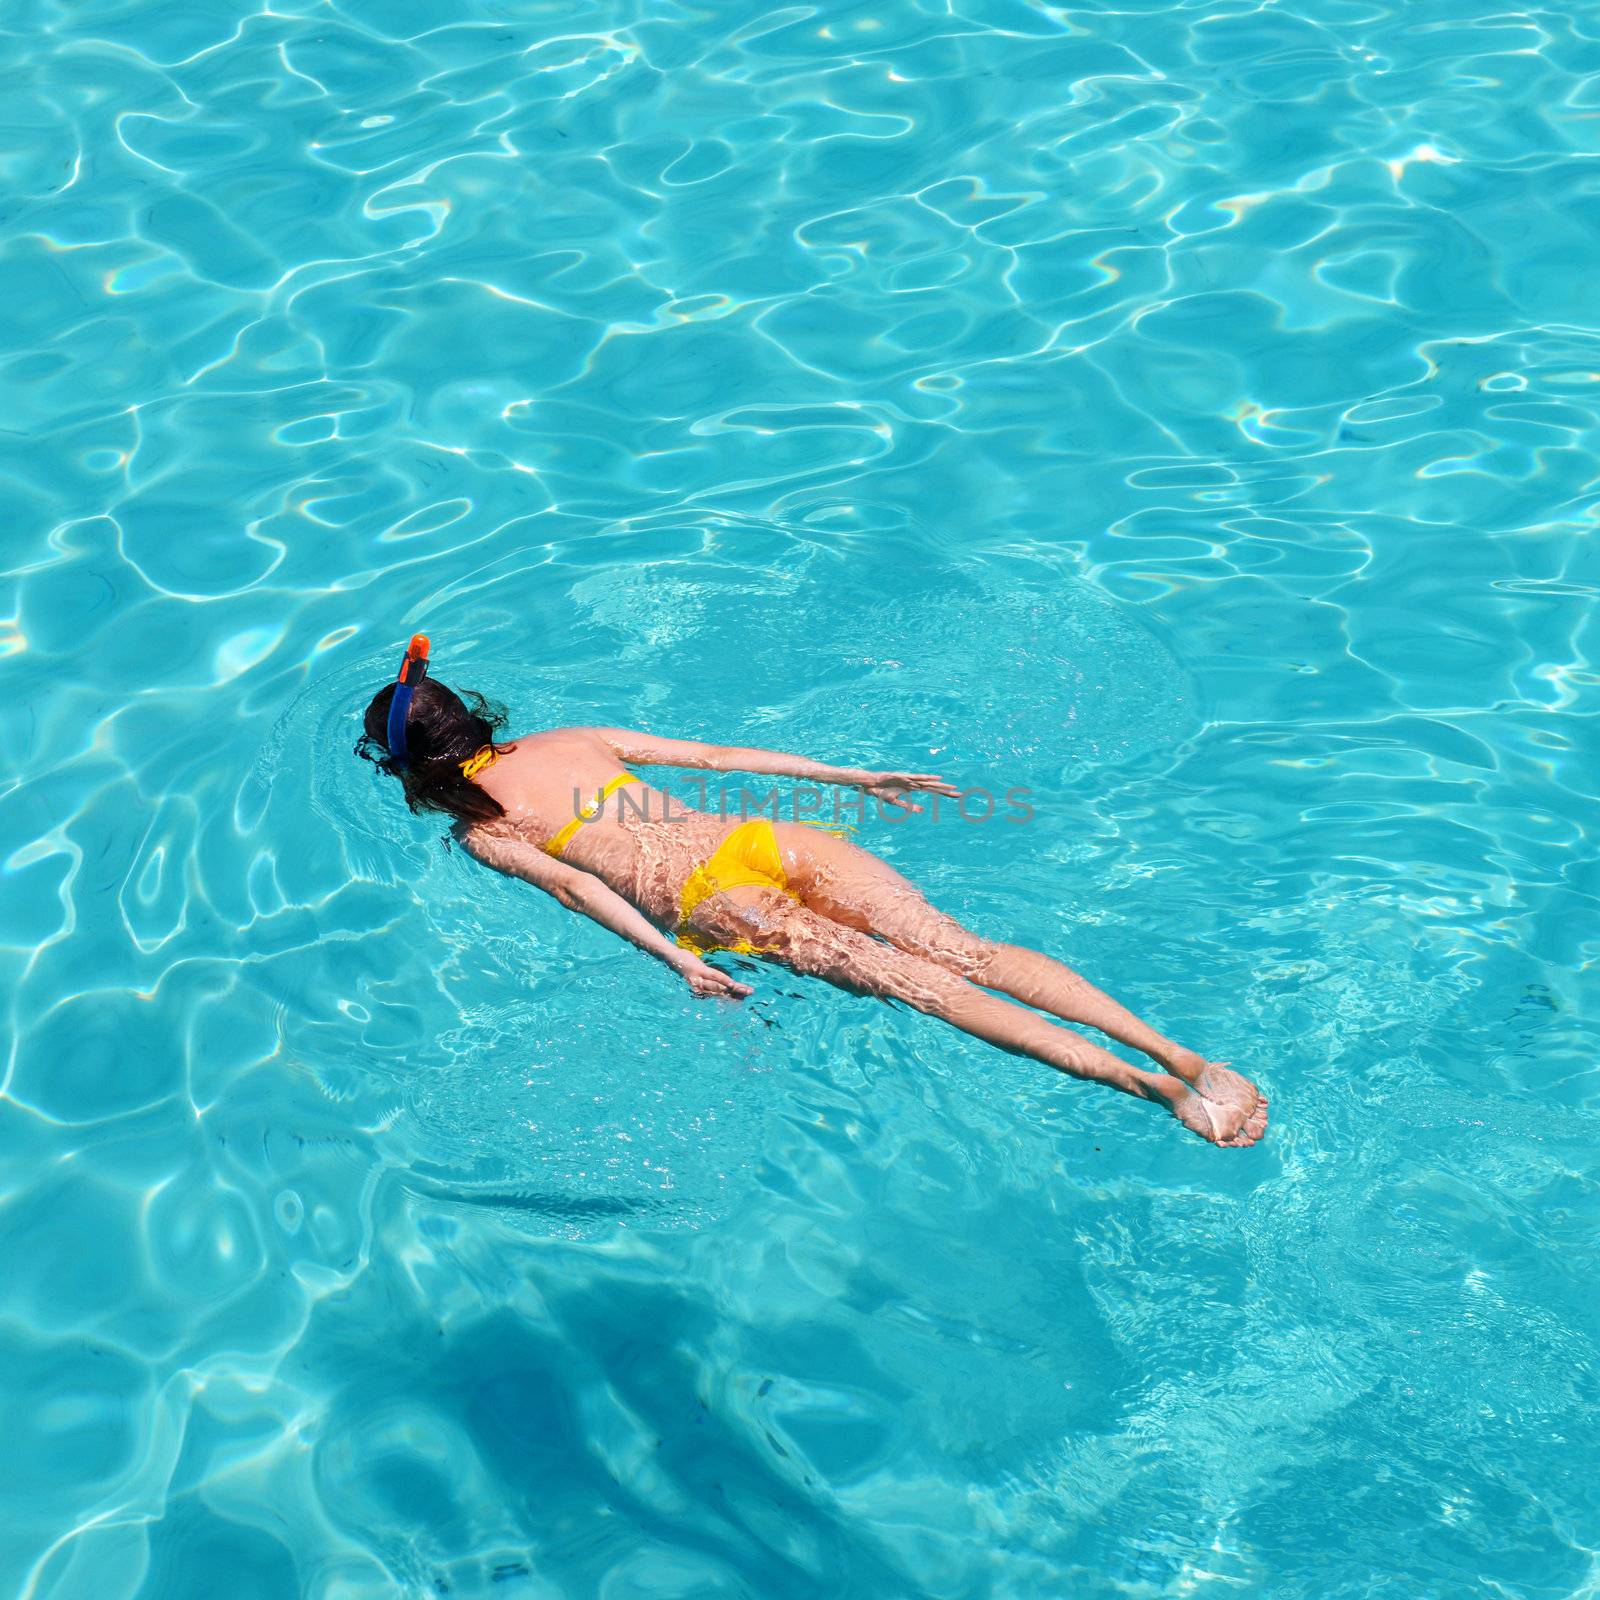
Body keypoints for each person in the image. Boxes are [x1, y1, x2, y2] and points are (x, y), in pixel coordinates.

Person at [359, 639, 1268, 1147]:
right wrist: (853, 776)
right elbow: (718, 758)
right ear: (474, 712)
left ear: (413, 768)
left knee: (936, 991)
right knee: (967, 952)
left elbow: (573, 892)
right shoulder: (572, 737)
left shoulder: (485, 831)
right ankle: (1184, 1056)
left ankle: (1155, 1092)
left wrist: (680, 959)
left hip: (720, 906)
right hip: (769, 840)